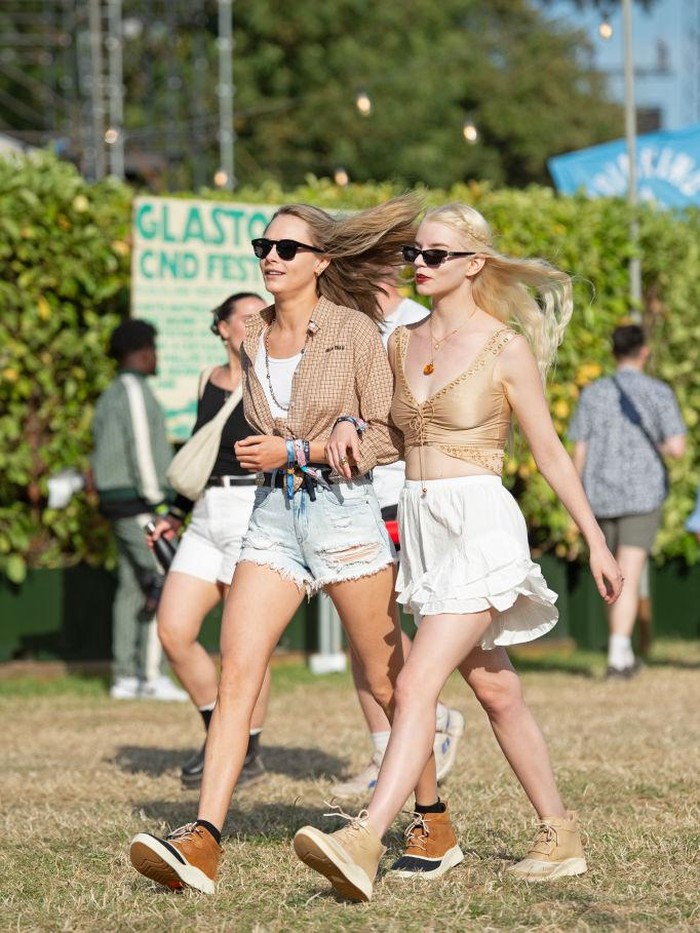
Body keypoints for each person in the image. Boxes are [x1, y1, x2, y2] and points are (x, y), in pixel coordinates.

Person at [293, 201, 623, 900]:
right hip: (421, 527)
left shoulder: (505, 347)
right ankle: (558, 830)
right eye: (415, 253)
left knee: (415, 684)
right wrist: (348, 428)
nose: (419, 264)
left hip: (478, 526)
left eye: (436, 254)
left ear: (474, 264)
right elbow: (388, 438)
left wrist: (595, 539)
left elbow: (550, 453)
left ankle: (365, 838)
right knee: (496, 689)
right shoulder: (398, 342)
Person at [129, 194, 452, 896]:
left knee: (385, 680)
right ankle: (204, 838)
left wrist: (304, 445)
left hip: (344, 518)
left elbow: (389, 433)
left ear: (321, 261)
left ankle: (432, 820)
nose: (270, 257)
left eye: (286, 249)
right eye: (263, 248)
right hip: (273, 517)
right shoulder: (251, 339)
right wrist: (279, 453)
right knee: (237, 670)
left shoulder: (354, 331)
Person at [335, 276, 466, 798]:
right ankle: (386, 748)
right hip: (348, 491)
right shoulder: (344, 322)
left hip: (394, 491)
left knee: (383, 627)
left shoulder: (416, 323)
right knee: (359, 632)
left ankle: (430, 722)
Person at [148, 292, 271, 788]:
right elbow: (201, 457)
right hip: (205, 513)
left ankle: (247, 751)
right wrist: (173, 515)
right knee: (173, 630)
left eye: (263, 317)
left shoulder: (275, 379)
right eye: (246, 317)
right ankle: (218, 733)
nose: (255, 324)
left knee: (242, 645)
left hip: (255, 508)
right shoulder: (207, 379)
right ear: (222, 328)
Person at [569, 324, 686, 679]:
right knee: (629, 573)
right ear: (645, 352)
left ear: (613, 353)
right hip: (642, 494)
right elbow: (677, 449)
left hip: (598, 495)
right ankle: (619, 654)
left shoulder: (593, 393)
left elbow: (578, 452)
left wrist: (575, 501)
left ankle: (621, 649)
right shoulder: (658, 392)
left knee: (610, 573)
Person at [91, 319, 187, 702]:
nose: (156, 358)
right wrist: (159, 503)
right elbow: (143, 451)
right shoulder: (132, 390)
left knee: (134, 584)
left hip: (120, 504)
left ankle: (125, 676)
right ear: (143, 351)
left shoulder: (112, 391)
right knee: (165, 577)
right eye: (154, 350)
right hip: (139, 503)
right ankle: (151, 675)